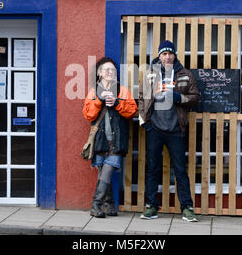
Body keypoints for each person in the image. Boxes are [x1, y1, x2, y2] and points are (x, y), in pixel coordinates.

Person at [138, 40, 200, 222]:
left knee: (180, 169)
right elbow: (142, 98)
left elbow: (195, 97)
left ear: (174, 55)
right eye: (163, 54)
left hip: (176, 130)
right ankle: (151, 207)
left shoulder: (185, 74)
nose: (167, 57)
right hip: (154, 129)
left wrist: (178, 97)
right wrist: (145, 122)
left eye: (170, 53)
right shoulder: (150, 74)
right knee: (152, 168)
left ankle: (187, 208)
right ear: (159, 56)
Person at [82, 57, 137, 218]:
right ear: (99, 73)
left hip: (116, 139)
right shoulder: (94, 91)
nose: (110, 72)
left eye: (113, 70)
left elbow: (132, 111)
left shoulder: (122, 90)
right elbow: (88, 115)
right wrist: (99, 100)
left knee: (107, 170)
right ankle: (109, 204)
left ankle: (96, 205)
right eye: (107, 69)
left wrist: (118, 103)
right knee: (102, 171)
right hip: (100, 139)